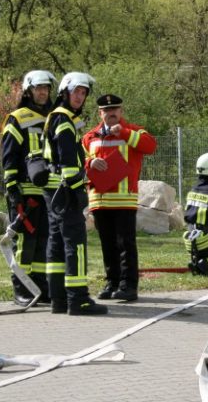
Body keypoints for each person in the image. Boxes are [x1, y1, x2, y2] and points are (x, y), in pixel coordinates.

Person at [42, 71, 108, 315]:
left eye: (83, 93)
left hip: (53, 193)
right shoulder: (65, 120)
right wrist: (76, 190)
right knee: (75, 246)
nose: (80, 97)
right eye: (76, 91)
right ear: (65, 92)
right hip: (66, 192)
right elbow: (68, 161)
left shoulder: (55, 118)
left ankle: (58, 300)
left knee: (57, 245)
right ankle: (78, 299)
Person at [82, 94, 157, 302]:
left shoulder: (133, 130)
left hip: (124, 199)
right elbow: (81, 160)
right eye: (106, 110)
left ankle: (128, 285)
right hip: (99, 199)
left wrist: (124, 133)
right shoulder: (90, 137)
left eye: (114, 109)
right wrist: (90, 163)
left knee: (125, 244)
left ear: (121, 111)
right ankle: (112, 282)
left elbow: (150, 146)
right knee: (107, 244)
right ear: (100, 113)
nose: (111, 113)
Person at [0, 70, 56, 305]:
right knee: (24, 241)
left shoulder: (54, 117)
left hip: (48, 191)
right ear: (28, 90)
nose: (42, 92)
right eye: (38, 88)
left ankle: (39, 283)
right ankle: (20, 287)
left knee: (44, 239)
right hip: (24, 190)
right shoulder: (17, 118)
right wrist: (13, 189)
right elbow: (9, 155)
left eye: (46, 88)